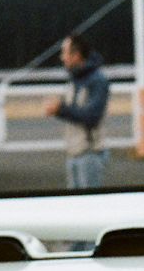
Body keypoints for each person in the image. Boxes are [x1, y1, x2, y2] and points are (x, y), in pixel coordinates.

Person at [45, 34, 110, 190]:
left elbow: (92, 116)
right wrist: (57, 108)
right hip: (73, 153)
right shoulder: (74, 79)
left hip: (89, 154)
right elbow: (74, 111)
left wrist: (60, 109)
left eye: (64, 52)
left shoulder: (97, 81)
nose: (62, 58)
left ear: (76, 55)